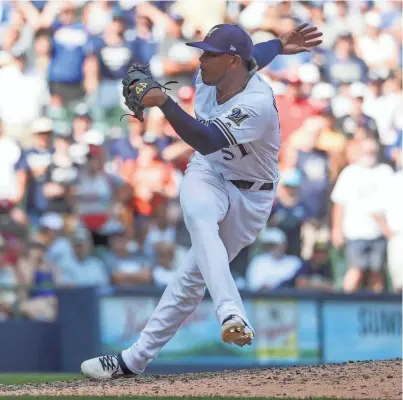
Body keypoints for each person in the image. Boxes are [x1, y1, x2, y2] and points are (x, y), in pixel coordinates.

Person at [81, 22, 323, 380]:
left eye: (210, 53)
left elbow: (207, 138)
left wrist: (164, 101)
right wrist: (277, 44)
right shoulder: (213, 77)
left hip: (252, 196)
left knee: (190, 280)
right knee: (199, 215)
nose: (201, 59)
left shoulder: (257, 102)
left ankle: (132, 361)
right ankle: (230, 311)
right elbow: (255, 55)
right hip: (208, 173)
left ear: (231, 61)